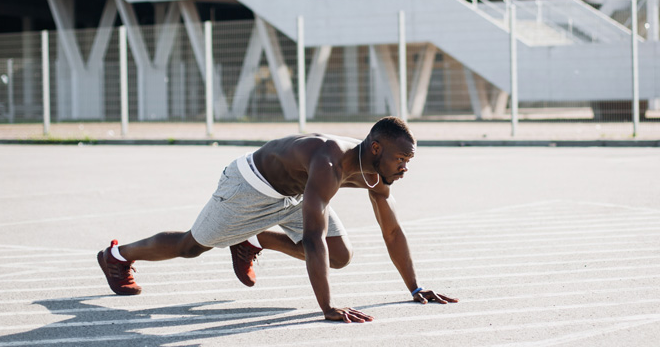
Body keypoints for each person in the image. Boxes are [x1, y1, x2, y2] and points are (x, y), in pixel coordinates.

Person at [97, 116, 458, 323]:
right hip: (250, 185)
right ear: (377, 148)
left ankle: (254, 240)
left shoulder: (379, 174)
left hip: (296, 194)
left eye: (409, 161)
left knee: (341, 255)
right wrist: (327, 307)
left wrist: (414, 288)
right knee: (191, 246)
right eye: (401, 159)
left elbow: (392, 231)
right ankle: (116, 257)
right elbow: (313, 238)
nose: (405, 167)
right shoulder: (329, 160)